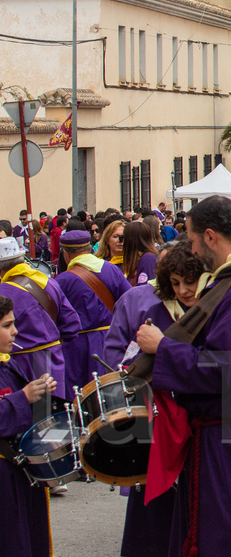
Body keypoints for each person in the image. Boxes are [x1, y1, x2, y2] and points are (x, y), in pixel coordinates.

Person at [133, 194, 231, 557]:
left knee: (225, 539)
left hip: (225, 436)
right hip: (222, 433)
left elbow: (224, 369)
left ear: (211, 236)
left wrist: (162, 347)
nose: (194, 251)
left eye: (194, 241)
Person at [116, 239, 203, 557]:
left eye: (189, 281)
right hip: (156, 420)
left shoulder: (212, 311)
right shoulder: (154, 311)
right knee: (151, 512)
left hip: (195, 418)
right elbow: (127, 362)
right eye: (176, 283)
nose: (183, 290)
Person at [0, 294, 57, 557]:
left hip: (18, 469)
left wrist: (40, 393)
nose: (15, 331)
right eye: (7, 325)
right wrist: (23, 397)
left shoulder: (8, 363)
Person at [0, 237, 77, 402]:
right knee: (53, 417)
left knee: (27, 417)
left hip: (19, 366)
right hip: (54, 360)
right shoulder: (48, 282)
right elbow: (71, 324)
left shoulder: (3, 292)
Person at [56, 228, 131, 394]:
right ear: (90, 248)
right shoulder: (112, 270)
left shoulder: (62, 280)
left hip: (77, 347)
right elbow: (130, 302)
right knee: (111, 391)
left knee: (81, 395)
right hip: (111, 340)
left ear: (66, 254)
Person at [120, 221, 159, 285]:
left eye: (123, 238)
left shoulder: (148, 259)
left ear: (130, 239)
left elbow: (145, 289)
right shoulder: (135, 261)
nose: (121, 241)